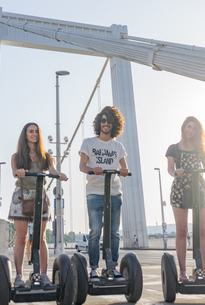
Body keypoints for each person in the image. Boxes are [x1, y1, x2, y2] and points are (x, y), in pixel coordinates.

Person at [8, 122, 67, 287]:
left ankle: (43, 275)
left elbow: (53, 171)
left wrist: (59, 175)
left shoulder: (45, 156)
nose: (34, 134)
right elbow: (14, 172)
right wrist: (18, 172)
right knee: (21, 238)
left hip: (40, 195)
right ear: (25, 134)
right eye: (30, 131)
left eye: (36, 131)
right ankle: (19, 276)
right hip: (21, 195)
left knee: (40, 238)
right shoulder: (17, 156)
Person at [166, 116, 205, 282]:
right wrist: (176, 172)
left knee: (202, 231)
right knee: (182, 230)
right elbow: (170, 169)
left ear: (197, 132)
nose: (190, 130)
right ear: (183, 128)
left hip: (199, 189)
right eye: (188, 127)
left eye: (194, 128)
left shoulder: (200, 149)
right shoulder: (173, 148)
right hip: (180, 189)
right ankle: (182, 271)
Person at [78, 106, 129, 282]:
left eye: (109, 121)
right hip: (95, 192)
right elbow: (82, 166)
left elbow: (124, 167)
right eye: (103, 120)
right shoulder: (88, 143)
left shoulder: (118, 146)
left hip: (114, 192)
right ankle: (93, 268)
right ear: (99, 123)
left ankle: (112, 266)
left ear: (114, 124)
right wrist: (93, 169)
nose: (106, 124)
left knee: (114, 232)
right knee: (95, 231)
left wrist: (123, 171)